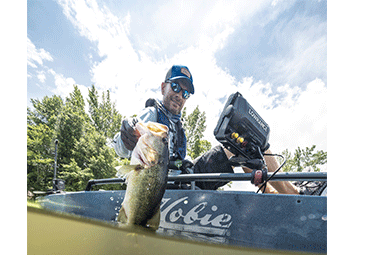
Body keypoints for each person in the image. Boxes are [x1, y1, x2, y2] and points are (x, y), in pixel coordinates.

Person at [112, 65, 299, 194]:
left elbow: (180, 158)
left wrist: (186, 164)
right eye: (175, 87)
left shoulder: (178, 125)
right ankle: (294, 194)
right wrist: (126, 135)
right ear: (163, 87)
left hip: (188, 177)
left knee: (242, 146)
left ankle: (276, 194)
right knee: (240, 147)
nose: (179, 95)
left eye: (185, 93)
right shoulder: (152, 114)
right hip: (164, 184)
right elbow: (122, 147)